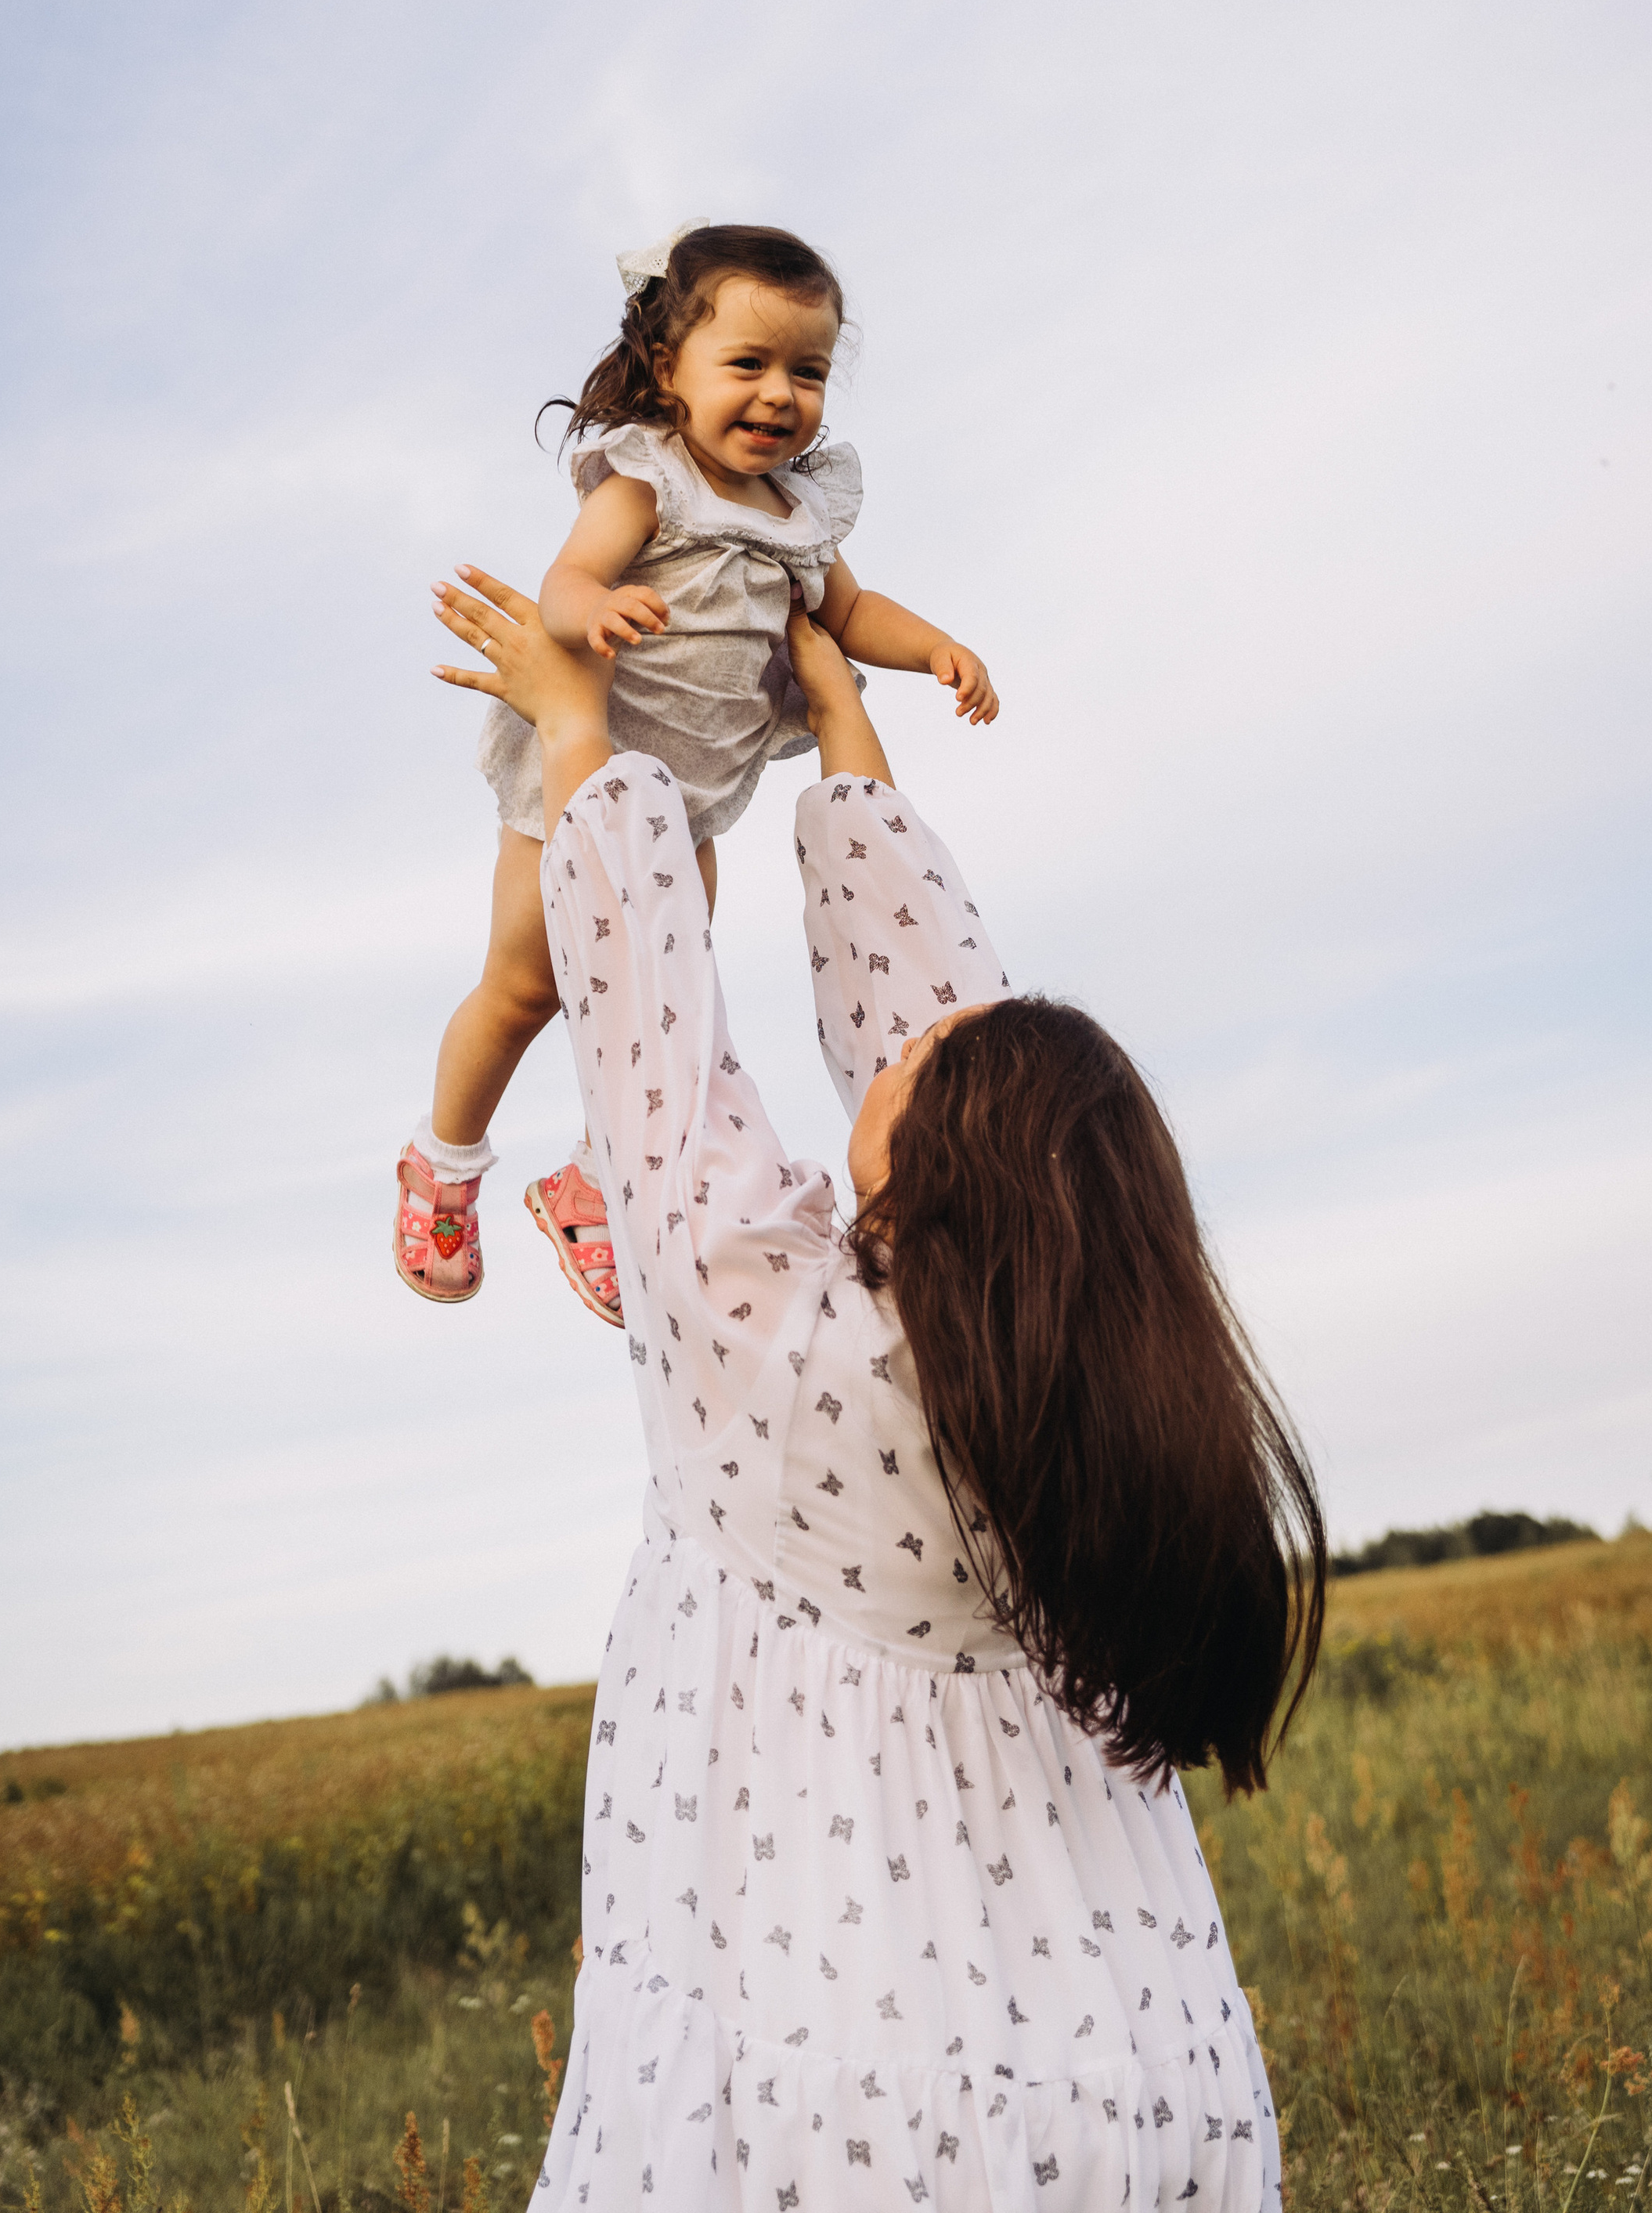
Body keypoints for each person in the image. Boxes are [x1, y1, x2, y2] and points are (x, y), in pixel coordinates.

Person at [428, 561, 1324, 2211]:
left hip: (844, 2103)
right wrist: (841, 735)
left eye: (908, 1068)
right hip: (1134, 2075)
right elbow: (946, 1014)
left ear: (936, 1181)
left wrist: (584, 749)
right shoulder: (1076, 1402)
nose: (897, 1040)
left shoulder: (776, 1357)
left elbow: (654, 1053)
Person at [394, 224, 999, 1316]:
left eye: (807, 372)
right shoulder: (649, 479)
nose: (780, 395)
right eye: (749, 365)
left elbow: (851, 613)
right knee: (530, 987)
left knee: (661, 997)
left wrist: (934, 650)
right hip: (576, 779)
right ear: (670, 373)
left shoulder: (803, 512)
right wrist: (601, 606)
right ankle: (444, 1157)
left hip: (693, 807)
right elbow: (570, 577)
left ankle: (588, 1181)